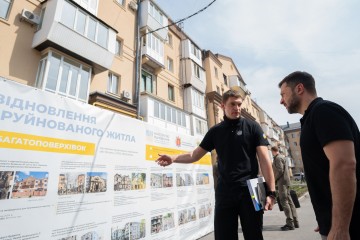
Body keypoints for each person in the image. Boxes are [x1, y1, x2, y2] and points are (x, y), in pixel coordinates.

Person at [156, 89, 276, 240]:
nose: (237, 108)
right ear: (222, 106)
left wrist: (271, 193)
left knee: (254, 235)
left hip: (252, 189)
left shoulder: (253, 127)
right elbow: (194, 155)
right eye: (232, 104)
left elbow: (265, 160)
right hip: (225, 190)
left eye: (239, 104)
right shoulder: (215, 131)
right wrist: (173, 158)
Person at [278, 71, 359, 239]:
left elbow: (344, 165)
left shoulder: (323, 111)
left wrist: (339, 226)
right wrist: (326, 218)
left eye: (283, 94)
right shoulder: (311, 119)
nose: (281, 101)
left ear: (299, 88)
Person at [271, 146, 299, 231]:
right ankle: (295, 222)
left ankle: (290, 224)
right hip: (286, 181)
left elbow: (279, 170)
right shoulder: (282, 157)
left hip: (282, 182)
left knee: (284, 201)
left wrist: (274, 179)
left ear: (273, 151)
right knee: (289, 201)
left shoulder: (278, 158)